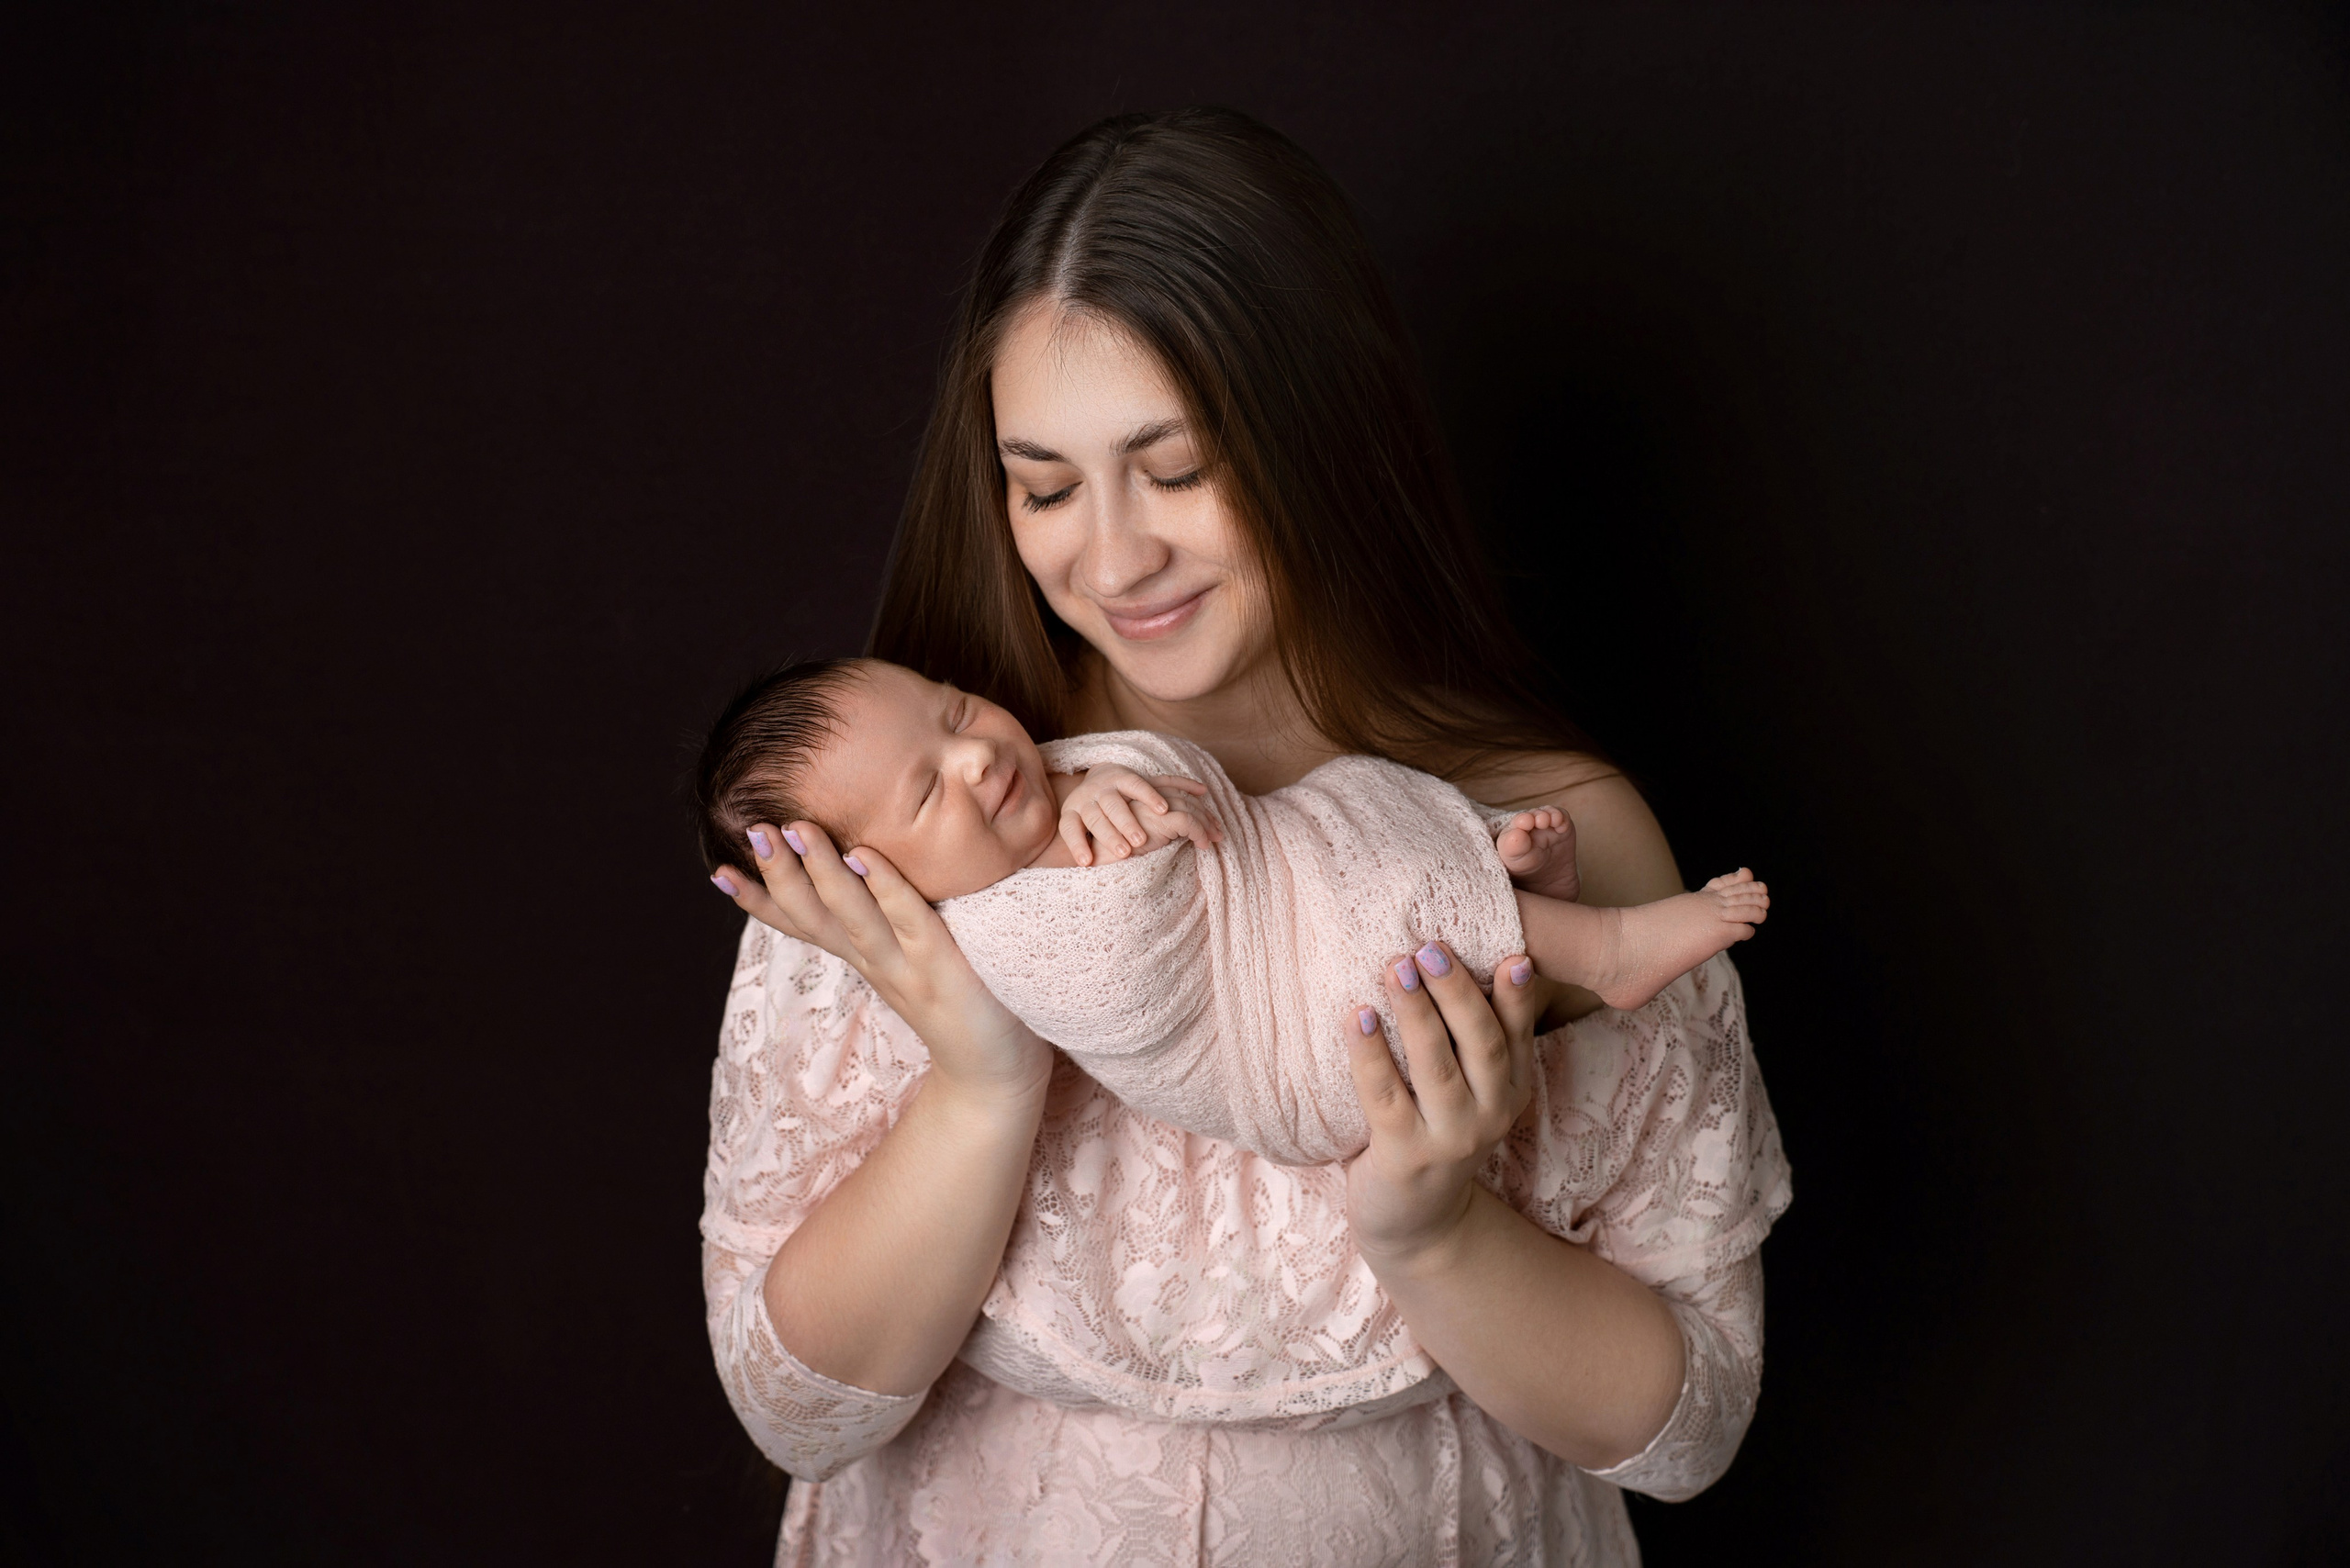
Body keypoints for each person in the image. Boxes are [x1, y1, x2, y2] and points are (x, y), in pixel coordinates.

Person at [701, 106, 1791, 1563]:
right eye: (1044, 485)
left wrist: (1438, 1234)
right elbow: (800, 1419)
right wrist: (979, 1082)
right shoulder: (920, 830)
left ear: (1317, 437)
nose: (1112, 555)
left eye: (1179, 466)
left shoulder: (1554, 822)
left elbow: (1694, 1427)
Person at [694, 655, 1770, 1166]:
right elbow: (1126, 966)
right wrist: (1106, 853)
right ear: (876, 886)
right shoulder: (998, 929)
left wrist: (1090, 794)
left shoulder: (1051, 782)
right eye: (928, 791)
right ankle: (1611, 944)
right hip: (1285, 1052)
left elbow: (1195, 799)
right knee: (1367, 894)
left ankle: (1503, 887)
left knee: (1354, 802)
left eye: (955, 711)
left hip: (1284, 916)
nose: (978, 754)